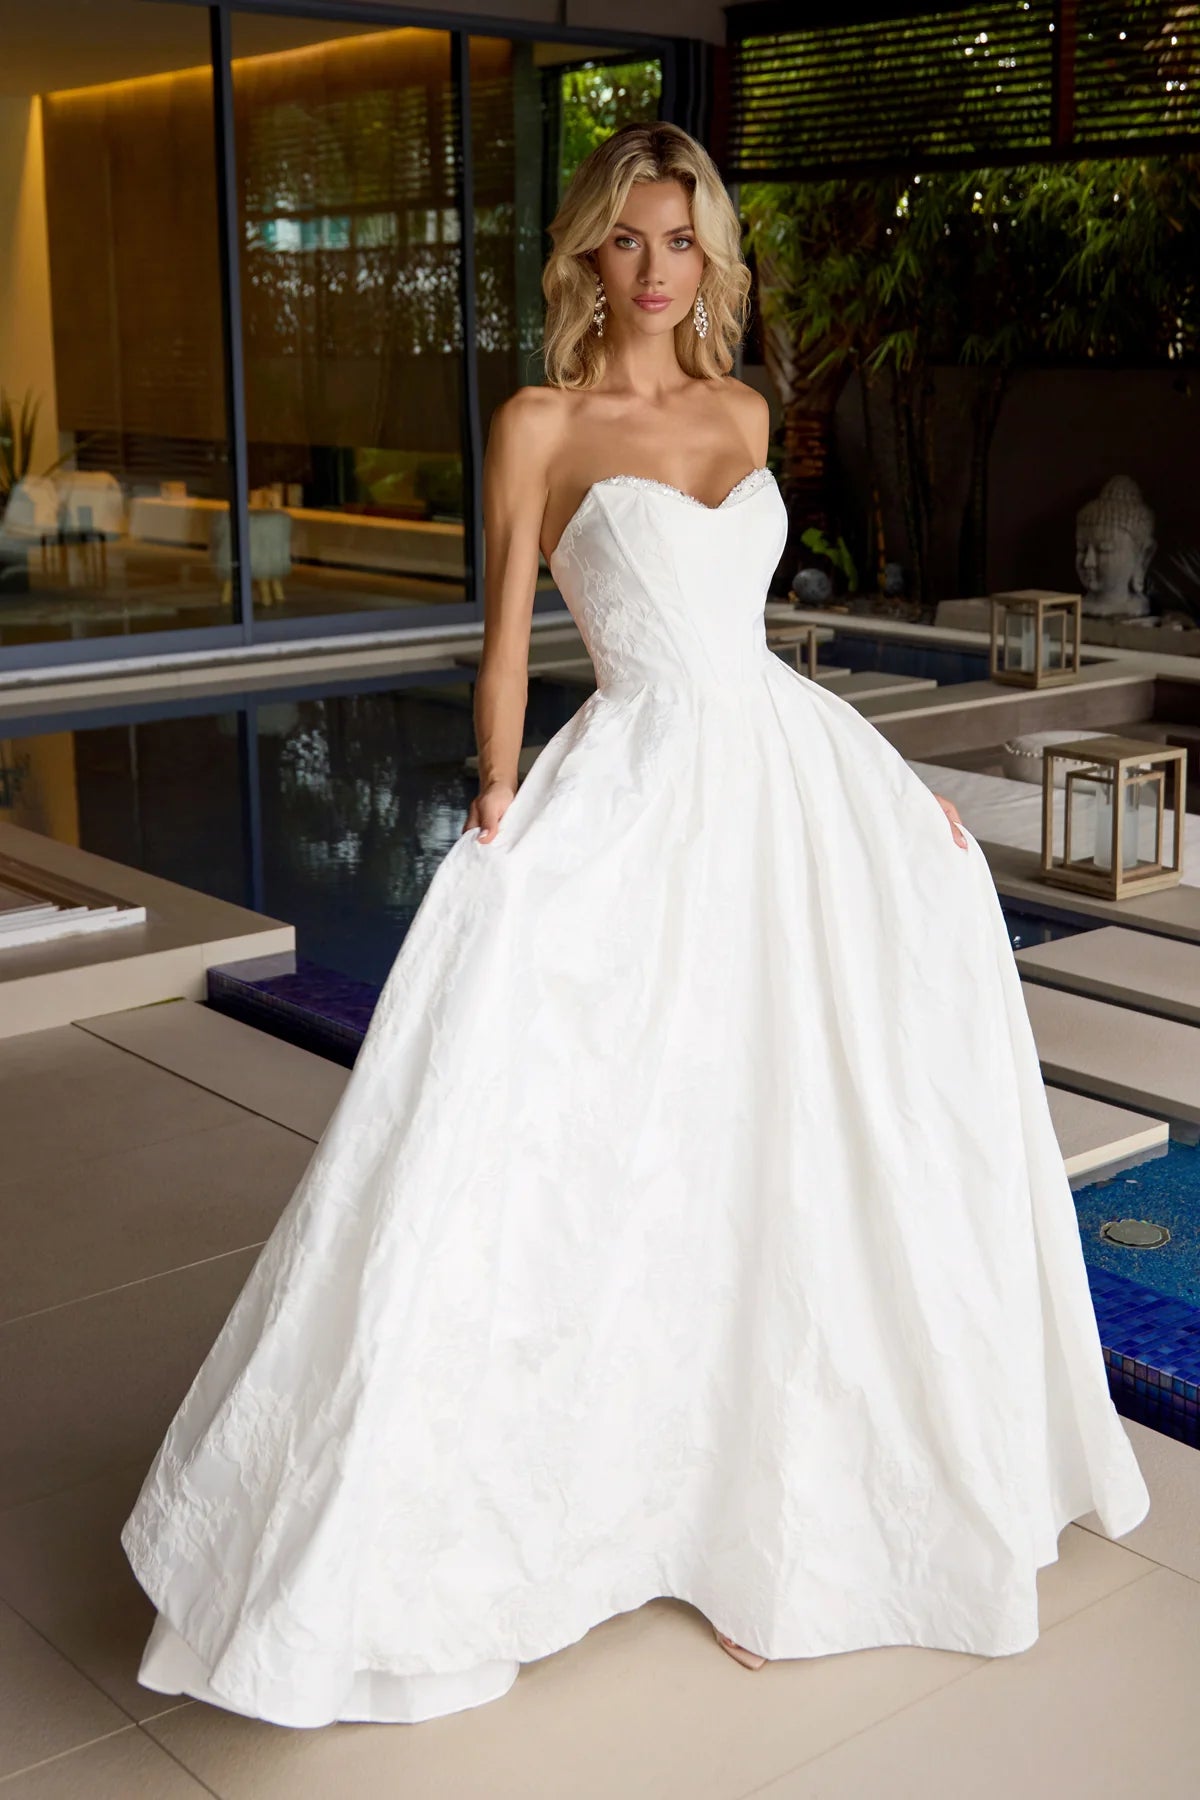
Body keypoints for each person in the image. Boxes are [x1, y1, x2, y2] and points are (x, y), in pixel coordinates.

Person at [120, 120, 1150, 1729]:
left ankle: (787, 1521)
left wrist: (892, 799)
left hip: (789, 784)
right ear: (590, 253)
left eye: (684, 240)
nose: (659, 268)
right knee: (633, 1135)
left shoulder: (746, 409)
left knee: (798, 1132)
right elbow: (507, 641)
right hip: (639, 783)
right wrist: (492, 796)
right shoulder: (541, 422)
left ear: (706, 256)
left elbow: (759, 645)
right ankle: (602, 1507)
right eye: (630, 239)